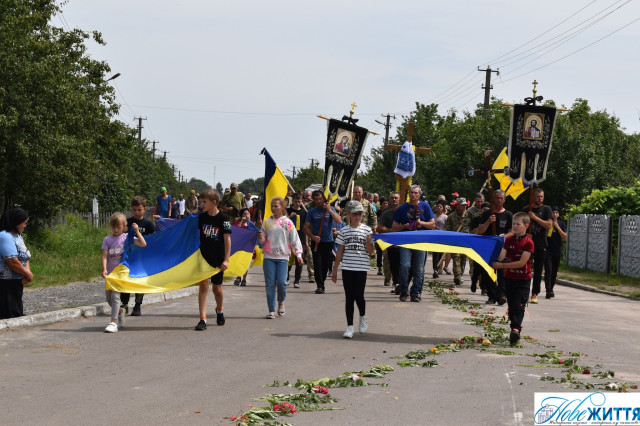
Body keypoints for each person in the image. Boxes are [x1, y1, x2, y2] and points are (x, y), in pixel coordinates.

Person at [331, 201, 375, 338]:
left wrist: (368, 242)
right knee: (349, 297)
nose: (357, 216)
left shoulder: (367, 230)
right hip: (348, 267)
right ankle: (349, 326)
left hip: (361, 267)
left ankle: (363, 316)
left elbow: (371, 252)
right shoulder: (344, 231)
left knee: (359, 295)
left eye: (360, 214)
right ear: (348, 214)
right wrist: (335, 269)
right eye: (355, 214)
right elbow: (339, 252)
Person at [492, 212, 534, 345]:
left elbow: (521, 263)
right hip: (509, 278)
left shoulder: (528, 243)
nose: (514, 226)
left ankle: (516, 329)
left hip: (523, 280)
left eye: (518, 224)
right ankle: (514, 329)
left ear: (526, 226)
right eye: (513, 224)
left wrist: (502, 265)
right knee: (511, 306)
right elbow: (500, 257)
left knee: (519, 305)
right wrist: (499, 242)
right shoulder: (509, 240)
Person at [258, 197, 303, 319]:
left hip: (283, 257)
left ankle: (281, 301)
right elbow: (262, 241)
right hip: (269, 257)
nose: (273, 208)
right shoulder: (267, 222)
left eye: (276, 206)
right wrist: (260, 237)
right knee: (270, 284)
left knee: (282, 282)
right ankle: (271, 310)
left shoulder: (288, 222)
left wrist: (298, 254)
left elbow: (294, 239)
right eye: (272, 206)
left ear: (283, 207)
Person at [101, 213, 147, 333]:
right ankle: (121, 311)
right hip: (111, 273)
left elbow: (143, 244)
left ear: (124, 227)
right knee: (109, 299)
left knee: (115, 296)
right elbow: (104, 255)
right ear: (111, 226)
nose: (116, 230)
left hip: (121, 271)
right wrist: (104, 269)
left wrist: (137, 231)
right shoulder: (107, 240)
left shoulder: (126, 238)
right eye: (114, 227)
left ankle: (113, 322)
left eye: (119, 227)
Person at [196, 189, 232, 331]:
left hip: (218, 259)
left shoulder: (223, 218)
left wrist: (226, 260)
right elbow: (187, 227)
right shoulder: (201, 217)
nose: (202, 204)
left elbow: (227, 240)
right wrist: (192, 216)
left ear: (214, 202)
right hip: (203, 258)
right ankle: (202, 318)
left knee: (217, 289)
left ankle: (219, 309)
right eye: (201, 202)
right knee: (203, 285)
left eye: (204, 202)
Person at [392, 185, 435, 302]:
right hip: (406, 241)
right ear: (408, 194)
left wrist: (421, 223)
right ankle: (404, 290)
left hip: (420, 241)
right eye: (411, 192)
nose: (413, 195)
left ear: (419, 194)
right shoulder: (402, 208)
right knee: (405, 266)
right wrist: (405, 226)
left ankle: (416, 292)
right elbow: (394, 226)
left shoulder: (425, 206)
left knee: (419, 269)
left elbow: (432, 224)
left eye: (416, 193)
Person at [475, 190, 513, 305]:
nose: (499, 200)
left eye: (501, 198)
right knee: (489, 272)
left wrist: (504, 236)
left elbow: (512, 232)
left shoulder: (508, 215)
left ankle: (501, 295)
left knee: (502, 271)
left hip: (502, 248)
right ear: (493, 199)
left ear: (504, 200)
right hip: (489, 247)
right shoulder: (487, 213)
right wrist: (488, 221)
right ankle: (492, 296)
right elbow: (480, 230)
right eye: (497, 198)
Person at [121, 196, 155, 316]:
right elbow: (120, 236)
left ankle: (137, 306)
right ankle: (124, 304)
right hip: (128, 257)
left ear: (144, 209)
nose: (136, 212)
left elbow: (154, 239)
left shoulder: (148, 224)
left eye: (139, 210)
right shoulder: (127, 222)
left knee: (140, 281)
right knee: (125, 280)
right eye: (134, 210)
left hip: (142, 258)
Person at [304, 190, 342, 294]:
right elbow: (305, 227)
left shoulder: (330, 209)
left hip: (328, 241)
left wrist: (329, 210)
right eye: (316, 199)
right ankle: (320, 286)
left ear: (323, 199)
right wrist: (313, 237)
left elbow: (339, 221)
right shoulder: (312, 212)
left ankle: (322, 281)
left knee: (325, 264)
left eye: (320, 199)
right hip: (317, 242)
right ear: (313, 200)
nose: (319, 201)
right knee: (317, 264)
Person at [521, 188, 553, 303]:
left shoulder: (546, 209)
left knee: (538, 270)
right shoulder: (526, 209)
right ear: (533, 197)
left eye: (541, 196)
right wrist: (525, 234)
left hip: (540, 243)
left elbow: (549, 225)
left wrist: (535, 218)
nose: (540, 198)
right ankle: (524, 292)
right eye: (538, 196)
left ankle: (535, 293)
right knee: (526, 268)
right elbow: (519, 225)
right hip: (527, 244)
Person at [0, 208, 33, 319]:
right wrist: (28, 275)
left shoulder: (18, 236)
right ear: (16, 222)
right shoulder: (5, 236)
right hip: (6, 283)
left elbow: (25, 256)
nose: (25, 226)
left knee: (16, 313)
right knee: (8, 315)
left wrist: (27, 274)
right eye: (24, 223)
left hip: (17, 282)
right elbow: (12, 261)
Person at [377, 193, 401, 289]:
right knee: (391, 262)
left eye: (396, 198)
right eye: (392, 198)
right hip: (389, 242)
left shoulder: (404, 212)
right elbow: (379, 228)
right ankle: (393, 281)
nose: (394, 199)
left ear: (399, 199)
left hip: (402, 242)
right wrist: (391, 231)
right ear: (390, 200)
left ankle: (400, 283)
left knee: (403, 264)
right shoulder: (386, 213)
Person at [444, 197, 469, 286]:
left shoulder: (468, 215)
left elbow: (472, 227)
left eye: (465, 205)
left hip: (465, 240)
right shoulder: (451, 216)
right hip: (455, 240)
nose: (464, 207)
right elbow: (447, 229)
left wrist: (464, 224)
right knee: (456, 257)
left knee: (463, 259)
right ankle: (457, 276)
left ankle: (461, 274)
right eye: (462, 205)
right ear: (457, 206)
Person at [544, 206, 567, 299]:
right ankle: (548, 290)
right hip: (547, 250)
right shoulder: (547, 223)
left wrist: (557, 227)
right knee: (548, 270)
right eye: (553, 212)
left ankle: (551, 288)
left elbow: (565, 237)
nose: (554, 214)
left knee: (554, 271)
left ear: (558, 214)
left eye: (556, 213)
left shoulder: (561, 224)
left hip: (557, 250)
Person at [464, 193, 485, 291]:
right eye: (478, 202)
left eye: (481, 201)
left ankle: (483, 283)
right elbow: (466, 225)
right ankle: (474, 281)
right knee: (473, 262)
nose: (480, 203)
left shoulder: (487, 209)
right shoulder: (470, 211)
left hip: (484, 240)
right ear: (475, 201)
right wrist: (467, 236)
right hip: (474, 238)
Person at [286, 194, 308, 288]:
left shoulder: (304, 212)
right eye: (295, 202)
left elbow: (306, 227)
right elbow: (282, 223)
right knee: (288, 260)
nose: (297, 203)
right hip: (289, 238)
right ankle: (286, 277)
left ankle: (297, 280)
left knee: (299, 260)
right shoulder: (288, 211)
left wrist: (306, 241)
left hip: (301, 238)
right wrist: (289, 217)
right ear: (293, 201)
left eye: (299, 202)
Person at [233, 208, 253, 287]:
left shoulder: (251, 224)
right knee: (238, 262)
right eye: (244, 214)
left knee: (245, 263)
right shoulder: (238, 222)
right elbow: (236, 230)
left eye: (248, 214)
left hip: (248, 247)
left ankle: (244, 279)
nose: (246, 215)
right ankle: (238, 277)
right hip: (239, 246)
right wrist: (242, 221)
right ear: (241, 215)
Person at [432, 200, 448, 279]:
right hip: (434, 236)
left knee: (440, 254)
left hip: (442, 237)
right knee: (435, 253)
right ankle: (435, 269)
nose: (439, 208)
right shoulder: (433, 216)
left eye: (440, 207)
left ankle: (438, 267)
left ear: (443, 208)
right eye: (437, 206)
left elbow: (447, 227)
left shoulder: (445, 217)